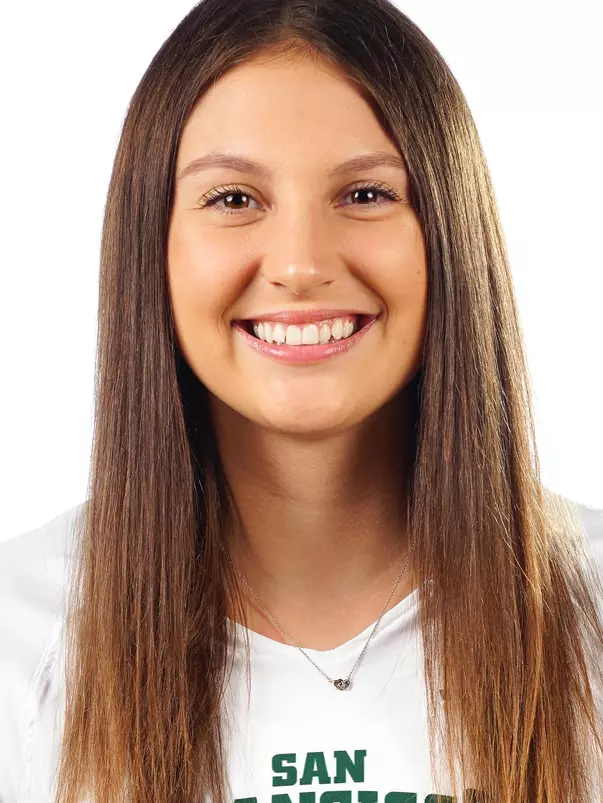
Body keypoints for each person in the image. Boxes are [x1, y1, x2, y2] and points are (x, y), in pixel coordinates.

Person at [1, 0, 602, 801]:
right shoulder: (20, 638)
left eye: (364, 194)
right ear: (154, 245)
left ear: (449, 234)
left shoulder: (588, 611)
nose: (299, 263)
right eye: (233, 199)